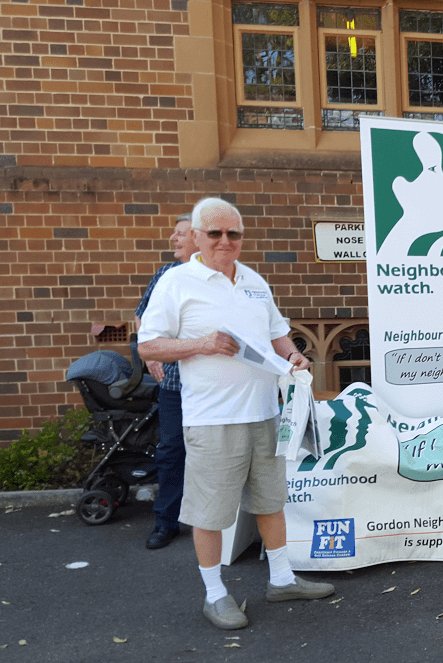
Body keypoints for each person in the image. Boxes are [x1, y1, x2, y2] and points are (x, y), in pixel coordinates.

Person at [138, 197, 334, 630]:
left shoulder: (253, 280)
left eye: (234, 233)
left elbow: (278, 333)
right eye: (215, 233)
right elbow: (148, 346)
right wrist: (201, 344)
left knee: (270, 502)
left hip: (265, 413)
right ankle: (215, 594)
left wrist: (295, 357)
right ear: (196, 236)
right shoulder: (177, 282)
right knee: (210, 512)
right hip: (212, 419)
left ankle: (281, 579)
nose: (225, 241)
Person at [135, 213, 195, 550]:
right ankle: (166, 522)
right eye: (174, 233)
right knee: (172, 451)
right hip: (174, 383)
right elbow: (142, 315)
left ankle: (227, 527)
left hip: (215, 385)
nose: (173, 239)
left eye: (180, 234)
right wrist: (151, 353)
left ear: (198, 238)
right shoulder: (166, 274)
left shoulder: (221, 276)